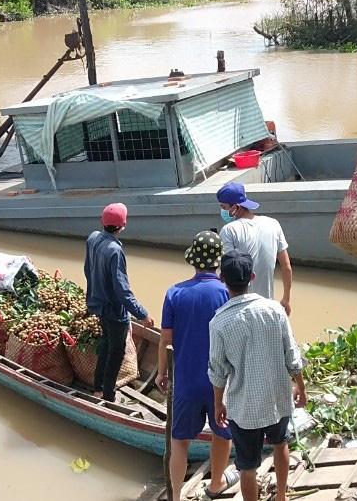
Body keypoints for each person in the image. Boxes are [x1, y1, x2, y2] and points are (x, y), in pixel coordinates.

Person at [208, 250, 307, 501]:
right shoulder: (275, 310)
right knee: (280, 443)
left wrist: (218, 403)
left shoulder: (218, 323)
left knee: (247, 465)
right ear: (252, 277)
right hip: (277, 398)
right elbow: (292, 356)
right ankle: (282, 496)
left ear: (222, 279)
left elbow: (218, 372)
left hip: (244, 407)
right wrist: (301, 388)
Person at [156, 231, 238, 500]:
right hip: (220, 384)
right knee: (222, 434)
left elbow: (166, 340)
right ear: (218, 262)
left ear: (193, 260)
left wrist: (161, 372)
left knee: (179, 440)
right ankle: (216, 485)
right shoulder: (228, 293)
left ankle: (176, 496)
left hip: (187, 382)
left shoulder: (175, 292)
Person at [84, 202, 154, 402]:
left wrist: (94, 295)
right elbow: (122, 290)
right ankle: (108, 395)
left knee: (106, 345)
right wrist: (142, 314)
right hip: (115, 311)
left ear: (102, 222)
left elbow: (88, 271)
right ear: (123, 226)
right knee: (116, 352)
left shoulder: (93, 238)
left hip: (98, 305)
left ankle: (98, 387)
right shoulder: (115, 250)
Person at [216, 182, 293, 315]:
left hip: (240, 308)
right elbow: (286, 266)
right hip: (268, 306)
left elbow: (229, 271)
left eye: (224, 207)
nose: (223, 211)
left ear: (236, 207)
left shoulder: (229, 230)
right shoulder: (273, 224)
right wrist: (286, 299)